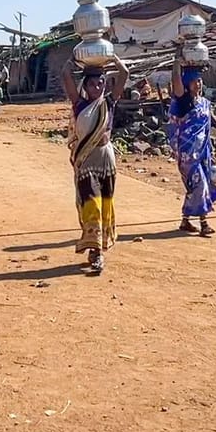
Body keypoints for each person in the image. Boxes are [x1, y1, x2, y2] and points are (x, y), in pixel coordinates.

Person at [61, 56, 129, 273]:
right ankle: (96, 251)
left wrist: (112, 59)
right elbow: (65, 74)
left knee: (106, 205)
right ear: (85, 86)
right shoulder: (79, 104)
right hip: (86, 160)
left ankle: (98, 250)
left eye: (100, 83)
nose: (97, 87)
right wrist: (73, 60)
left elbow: (124, 74)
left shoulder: (108, 102)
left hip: (106, 160)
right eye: (92, 84)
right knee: (92, 205)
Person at [167, 62, 216, 236]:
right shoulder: (183, 103)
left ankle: (185, 220)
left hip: (203, 152)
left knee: (194, 187)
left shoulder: (205, 103)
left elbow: (206, 129)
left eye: (199, 81)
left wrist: (210, 151)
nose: (197, 84)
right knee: (200, 185)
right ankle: (204, 223)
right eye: (193, 82)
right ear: (186, 85)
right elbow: (176, 81)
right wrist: (176, 61)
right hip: (187, 153)